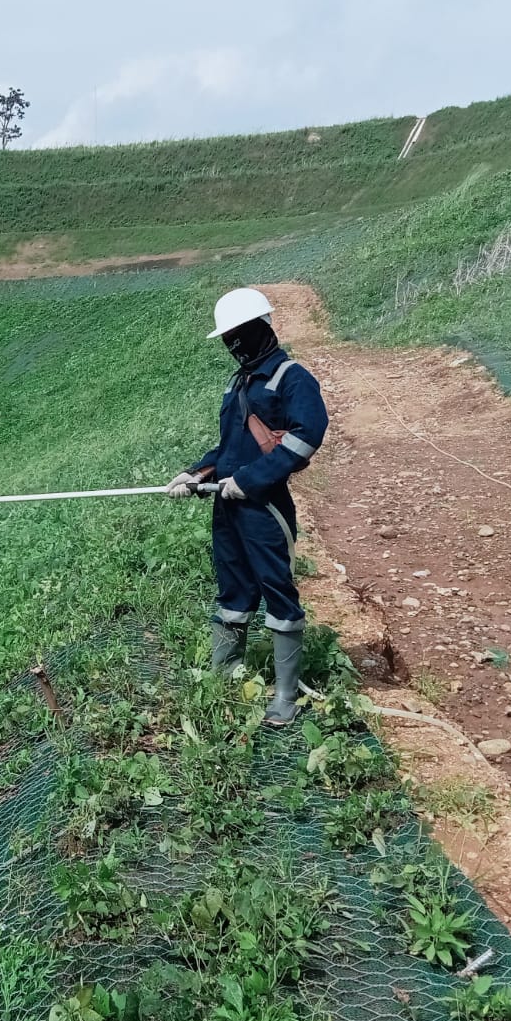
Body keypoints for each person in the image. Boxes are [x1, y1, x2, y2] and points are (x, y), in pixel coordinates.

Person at [164, 287, 329, 726]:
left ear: (260, 328)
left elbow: (306, 436)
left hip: (265, 507)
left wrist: (251, 481)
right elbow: (229, 447)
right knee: (233, 585)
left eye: (238, 334)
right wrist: (196, 474)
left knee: (276, 589)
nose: (232, 344)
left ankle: (286, 694)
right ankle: (224, 670)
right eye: (227, 337)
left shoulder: (291, 377)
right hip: (227, 503)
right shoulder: (239, 381)